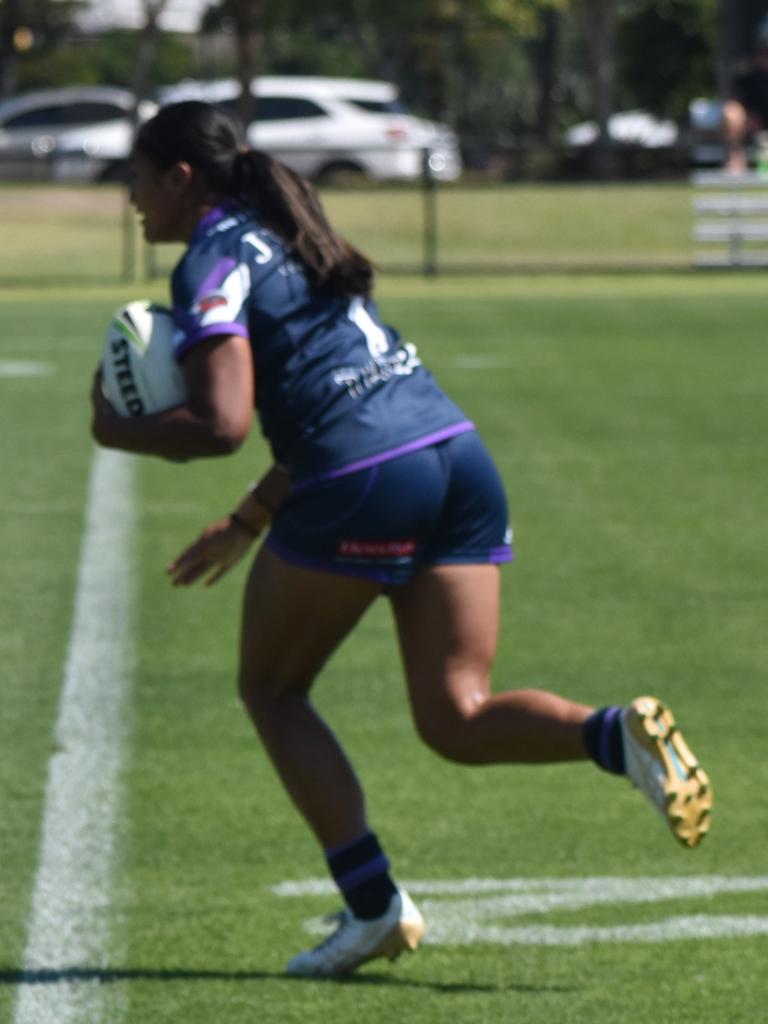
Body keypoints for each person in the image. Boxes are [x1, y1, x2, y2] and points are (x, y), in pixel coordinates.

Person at [90, 101, 713, 978]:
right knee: (456, 716)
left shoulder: (212, 257)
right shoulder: (290, 230)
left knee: (272, 690)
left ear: (181, 179)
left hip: (363, 477)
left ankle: (374, 906)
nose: (131, 200)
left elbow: (224, 423)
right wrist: (249, 520)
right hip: (454, 455)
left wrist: (115, 429)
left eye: (137, 179)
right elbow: (333, 397)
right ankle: (618, 736)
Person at [724, 23, 768, 173]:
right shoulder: (747, 78)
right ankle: (735, 156)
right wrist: (750, 117)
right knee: (732, 112)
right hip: (751, 126)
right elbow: (735, 103)